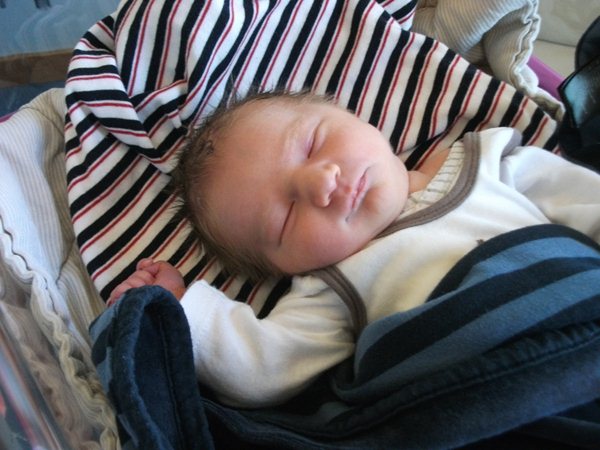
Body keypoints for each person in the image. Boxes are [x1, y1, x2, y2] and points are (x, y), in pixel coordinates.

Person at [108, 91, 600, 408]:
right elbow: (263, 368)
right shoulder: (332, 287)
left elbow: (585, 202)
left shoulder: (489, 161)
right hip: (502, 398)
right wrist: (183, 308)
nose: (321, 183)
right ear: (284, 266)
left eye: (312, 144)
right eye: (285, 218)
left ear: (352, 115)